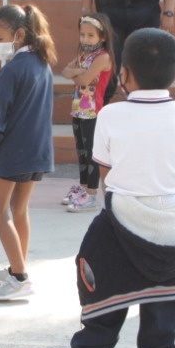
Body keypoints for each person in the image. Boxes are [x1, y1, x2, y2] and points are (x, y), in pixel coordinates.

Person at [54, 28, 175, 348]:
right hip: (172, 236)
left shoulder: (111, 115)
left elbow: (105, 176)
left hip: (117, 235)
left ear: (124, 73)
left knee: (96, 333)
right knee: (163, 342)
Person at [0, 4, 55, 302]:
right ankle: (18, 268)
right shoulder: (42, 63)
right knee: (19, 210)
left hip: (13, 150)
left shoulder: (12, 69)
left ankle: (19, 277)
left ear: (19, 34)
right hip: (37, 149)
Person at [60, 13, 114, 214]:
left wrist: (78, 74)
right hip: (78, 110)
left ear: (103, 37)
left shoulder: (103, 57)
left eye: (91, 35)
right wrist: (79, 73)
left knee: (92, 153)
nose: (85, 39)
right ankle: (83, 188)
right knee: (81, 151)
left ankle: (91, 194)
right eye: (82, 35)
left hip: (92, 111)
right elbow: (65, 72)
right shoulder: (84, 56)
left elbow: (83, 80)